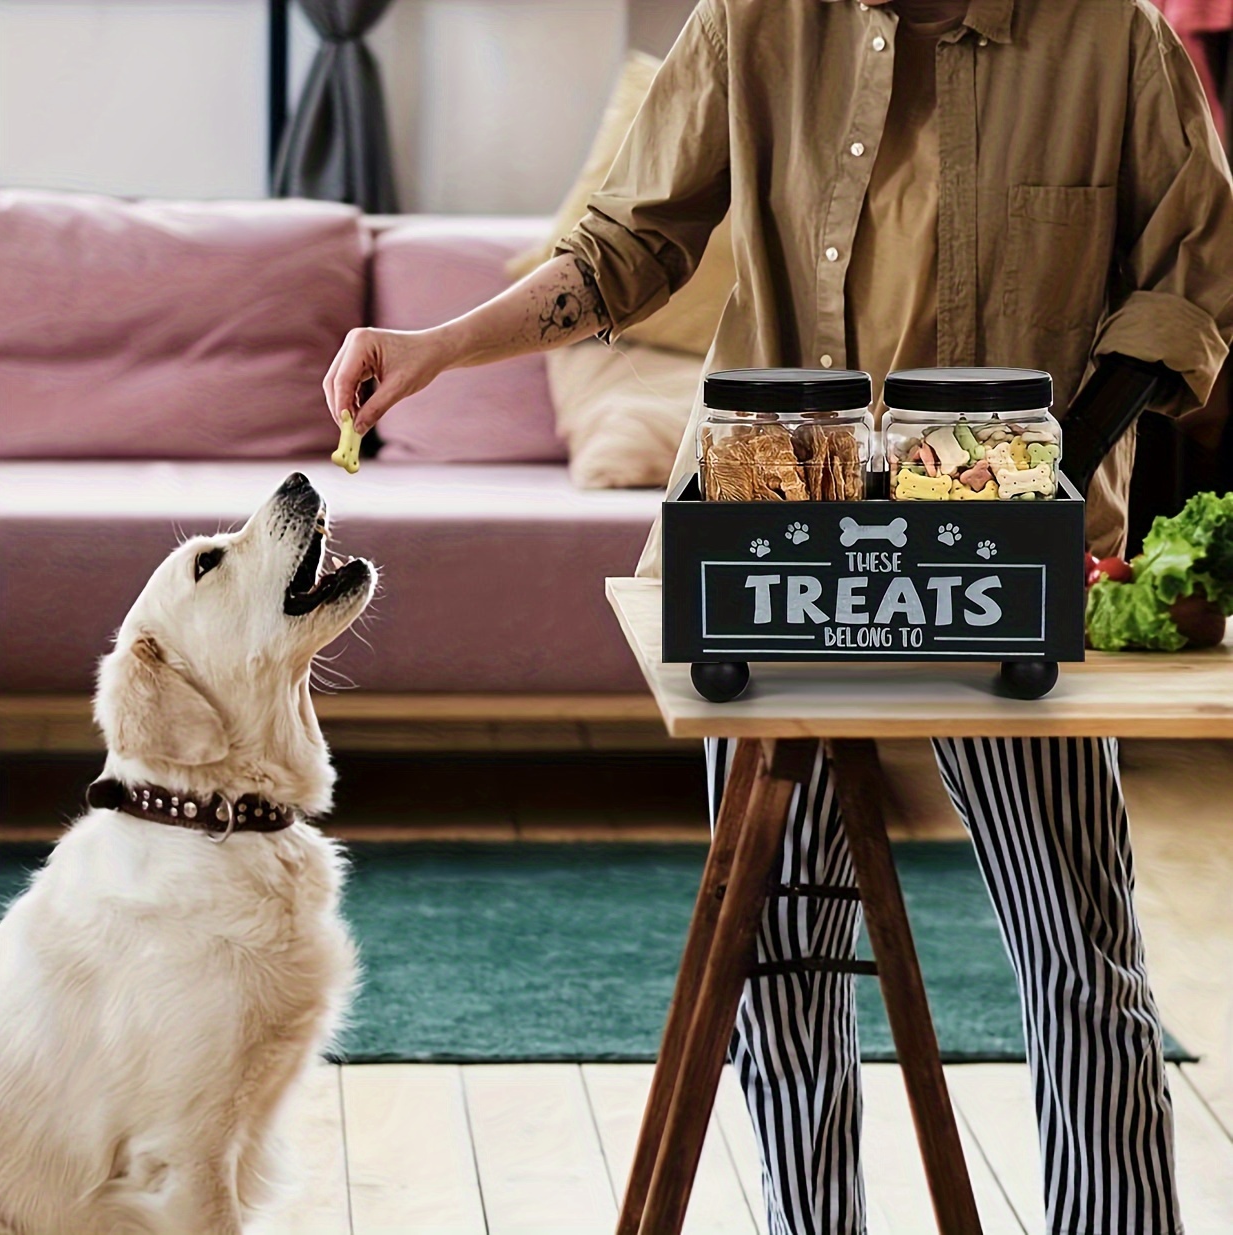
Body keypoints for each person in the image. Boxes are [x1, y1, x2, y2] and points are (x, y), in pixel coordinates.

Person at [322, 2, 1233, 1230]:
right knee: (780, 955)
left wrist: (1039, 463)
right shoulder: (749, 22)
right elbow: (619, 248)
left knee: (1080, 955)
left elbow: (1187, 277)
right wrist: (433, 346)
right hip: (768, 546)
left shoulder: (1107, 37)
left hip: (1007, 562)